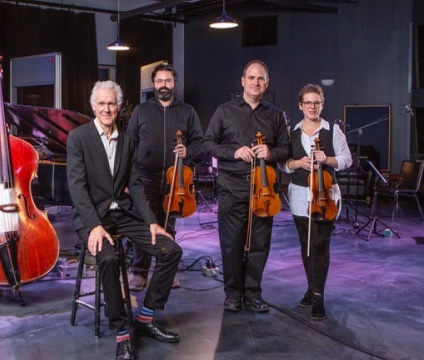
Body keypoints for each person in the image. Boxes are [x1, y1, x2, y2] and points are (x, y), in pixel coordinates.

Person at [67, 81, 183, 360]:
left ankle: (145, 317)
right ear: (93, 106)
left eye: (112, 104)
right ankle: (122, 333)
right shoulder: (78, 137)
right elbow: (77, 188)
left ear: (118, 107)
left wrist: (153, 222)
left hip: (122, 213)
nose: (107, 109)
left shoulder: (129, 138)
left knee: (171, 250)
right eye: (102, 104)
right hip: (92, 216)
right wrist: (94, 225)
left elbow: (136, 183)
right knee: (108, 259)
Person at [203, 60, 290, 313]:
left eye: (261, 78)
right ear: (242, 81)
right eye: (251, 78)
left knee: (260, 243)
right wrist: (233, 151)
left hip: (263, 190)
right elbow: (207, 144)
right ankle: (232, 293)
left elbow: (286, 149)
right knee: (231, 243)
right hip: (232, 186)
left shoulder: (275, 114)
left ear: (267, 82)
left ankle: (253, 293)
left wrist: (271, 151)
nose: (256, 83)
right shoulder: (224, 111)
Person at [126, 63, 203, 291]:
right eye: (159, 81)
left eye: (168, 81)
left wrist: (187, 151)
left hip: (175, 181)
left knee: (168, 227)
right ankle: (139, 273)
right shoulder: (141, 110)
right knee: (144, 225)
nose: (163, 85)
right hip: (145, 178)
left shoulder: (187, 111)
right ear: (154, 84)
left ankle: (165, 272)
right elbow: (130, 144)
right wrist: (127, 178)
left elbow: (199, 141)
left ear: (174, 83)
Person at [282, 84, 352, 320]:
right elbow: (284, 163)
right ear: (300, 105)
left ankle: (319, 296)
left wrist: (328, 159)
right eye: (308, 102)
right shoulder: (292, 132)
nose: (313, 106)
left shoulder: (333, 130)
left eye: (317, 102)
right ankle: (311, 288)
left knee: (320, 245)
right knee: (306, 244)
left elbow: (347, 160)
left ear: (322, 104)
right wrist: (297, 164)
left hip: (326, 196)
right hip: (300, 194)